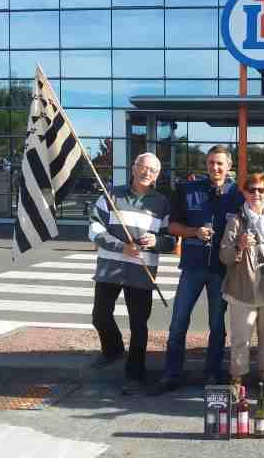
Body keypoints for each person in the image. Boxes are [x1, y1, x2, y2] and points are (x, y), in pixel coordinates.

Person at [152, 145, 245, 395]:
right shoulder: (188, 189)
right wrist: (194, 232)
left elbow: (248, 227)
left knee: (217, 326)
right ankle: (171, 374)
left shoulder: (239, 195)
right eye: (211, 163)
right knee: (178, 322)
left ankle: (212, 374)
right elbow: (172, 226)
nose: (215, 167)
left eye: (220, 164)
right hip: (192, 267)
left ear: (229, 166)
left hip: (221, 269)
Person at [88, 153, 176, 394]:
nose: (147, 173)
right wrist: (121, 247)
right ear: (133, 168)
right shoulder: (111, 195)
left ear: (157, 175)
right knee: (100, 316)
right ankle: (113, 350)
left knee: (139, 325)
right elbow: (94, 229)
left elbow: (170, 240)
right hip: (109, 268)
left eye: (152, 170)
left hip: (141, 271)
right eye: (143, 167)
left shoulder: (162, 203)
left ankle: (135, 373)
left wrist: (156, 241)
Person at [219, 173, 264, 396]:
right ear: (244, 193)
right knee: (241, 338)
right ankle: (237, 379)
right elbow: (224, 256)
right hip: (243, 289)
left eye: (261, 190)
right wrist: (239, 246)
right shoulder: (236, 220)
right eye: (251, 190)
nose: (256, 194)